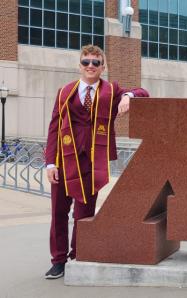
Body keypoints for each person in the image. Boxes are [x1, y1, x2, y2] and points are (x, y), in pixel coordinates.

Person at [44, 45, 149, 279]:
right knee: (58, 213)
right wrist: (50, 162)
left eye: (95, 62)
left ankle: (77, 255)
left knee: (83, 213)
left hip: (91, 162)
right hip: (64, 159)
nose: (90, 66)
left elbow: (143, 91)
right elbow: (53, 128)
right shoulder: (65, 92)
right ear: (79, 65)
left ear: (103, 67)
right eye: (86, 62)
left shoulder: (111, 91)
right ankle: (58, 260)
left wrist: (128, 96)